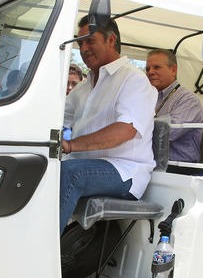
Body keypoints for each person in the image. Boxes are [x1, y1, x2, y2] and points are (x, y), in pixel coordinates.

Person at [59, 16, 157, 235]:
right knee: (39, 167)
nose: (83, 48)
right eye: (80, 42)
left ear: (111, 40)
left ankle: (40, 257)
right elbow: (55, 119)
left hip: (124, 170)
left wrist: (70, 145)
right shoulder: (82, 88)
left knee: (69, 173)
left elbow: (125, 130)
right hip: (84, 166)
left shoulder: (134, 80)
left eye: (90, 41)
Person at [145, 48, 203, 174]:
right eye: (148, 69)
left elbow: (166, 134)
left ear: (173, 70)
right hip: (152, 164)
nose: (150, 72)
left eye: (156, 67)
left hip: (179, 168)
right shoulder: (147, 98)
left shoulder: (188, 99)